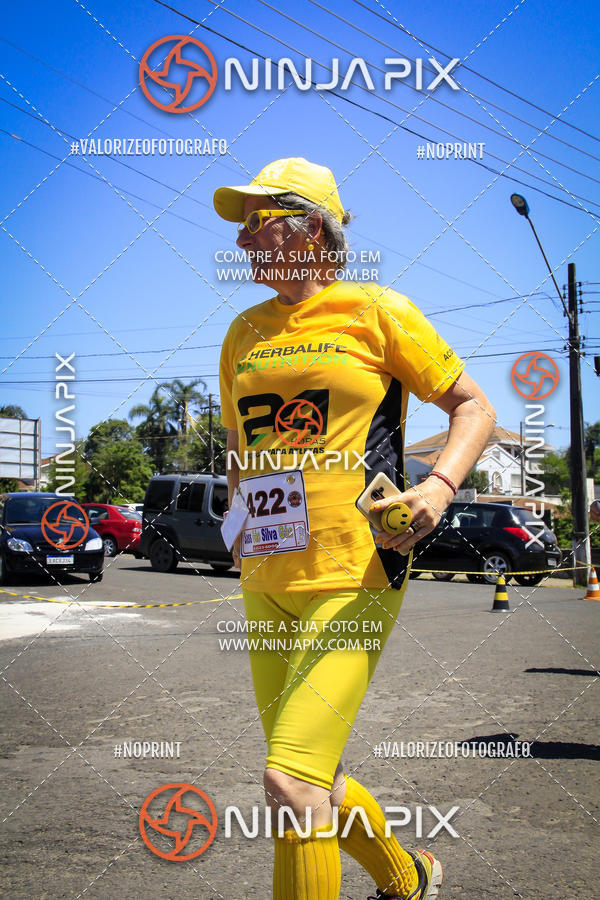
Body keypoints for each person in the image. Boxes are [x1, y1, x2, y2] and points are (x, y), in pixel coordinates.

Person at [215, 157, 496, 900]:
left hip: (357, 570)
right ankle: (410, 879)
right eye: (241, 228)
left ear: (311, 227)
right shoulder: (242, 331)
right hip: (266, 579)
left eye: (257, 223)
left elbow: (474, 406)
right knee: (317, 775)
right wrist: (236, 518)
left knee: (289, 781)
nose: (242, 241)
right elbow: (245, 454)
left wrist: (438, 485)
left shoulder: (376, 310)